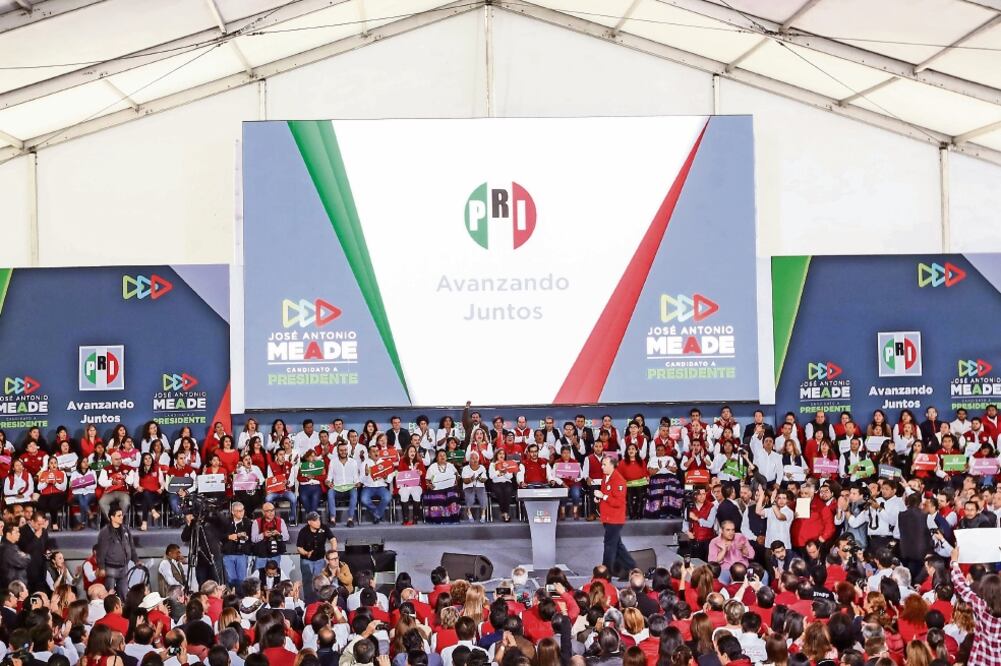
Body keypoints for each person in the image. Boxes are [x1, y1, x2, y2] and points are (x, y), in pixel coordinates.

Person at [596, 457, 635, 578]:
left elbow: (619, 502)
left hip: (615, 519)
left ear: (612, 465)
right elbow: (606, 495)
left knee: (609, 545)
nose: (602, 467)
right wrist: (599, 499)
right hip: (607, 518)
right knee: (617, 546)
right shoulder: (605, 478)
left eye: (604, 464)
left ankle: (605, 573)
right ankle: (633, 568)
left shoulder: (619, 480)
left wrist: (603, 497)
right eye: (602, 464)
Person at [96, 507, 138, 598]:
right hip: (111, 568)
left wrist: (136, 560)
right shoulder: (105, 532)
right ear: (112, 517)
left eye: (122, 515)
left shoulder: (125, 530)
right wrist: (102, 567)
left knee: (124, 594)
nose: (121, 517)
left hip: (124, 567)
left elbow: (131, 546)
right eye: (119, 516)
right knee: (109, 595)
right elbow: (101, 551)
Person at [222, 502, 254, 587]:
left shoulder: (248, 523)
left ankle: (240, 594)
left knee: (242, 579)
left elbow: (253, 538)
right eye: (238, 511)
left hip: (242, 554)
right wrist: (229, 537)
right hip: (228, 554)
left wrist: (246, 537)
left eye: (242, 510)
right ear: (233, 512)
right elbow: (219, 535)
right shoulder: (226, 522)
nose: (241, 513)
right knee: (230, 579)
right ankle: (232, 593)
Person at [252, 502, 290, 569]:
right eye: (268, 511)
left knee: (274, 573)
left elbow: (286, 537)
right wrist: (263, 535)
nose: (271, 513)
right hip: (261, 554)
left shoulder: (280, 521)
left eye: (272, 510)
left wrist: (278, 534)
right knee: (259, 574)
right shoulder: (256, 522)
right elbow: (253, 539)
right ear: (263, 512)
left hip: (275, 554)